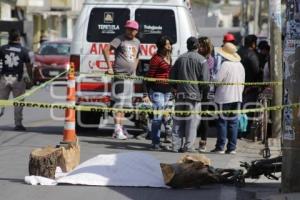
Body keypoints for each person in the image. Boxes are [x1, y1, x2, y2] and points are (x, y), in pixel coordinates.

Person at [170, 37, 210, 153]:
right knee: (192, 123)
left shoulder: (180, 59)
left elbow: (172, 78)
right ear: (197, 46)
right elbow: (205, 82)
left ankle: (175, 146)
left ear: (187, 46)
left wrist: (177, 88)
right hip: (194, 96)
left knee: (178, 121)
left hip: (180, 95)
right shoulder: (202, 60)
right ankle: (188, 146)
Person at [103, 20, 140, 140]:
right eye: (127, 28)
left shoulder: (137, 42)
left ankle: (121, 128)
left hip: (130, 77)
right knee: (118, 104)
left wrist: (134, 67)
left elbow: (138, 56)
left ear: (136, 31)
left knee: (124, 105)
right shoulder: (119, 39)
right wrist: (109, 67)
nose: (128, 31)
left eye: (131, 29)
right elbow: (106, 49)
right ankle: (117, 128)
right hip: (120, 76)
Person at [211, 43, 245, 154]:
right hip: (237, 97)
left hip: (224, 97)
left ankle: (220, 147)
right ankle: (231, 148)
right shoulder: (240, 65)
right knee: (233, 123)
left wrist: (213, 77)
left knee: (222, 122)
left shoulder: (225, 64)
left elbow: (217, 81)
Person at [0, 29, 32, 131]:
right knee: (18, 102)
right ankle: (18, 124)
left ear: (9, 38)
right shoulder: (24, 50)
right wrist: (30, 78)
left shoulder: (2, 48)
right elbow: (28, 65)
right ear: (19, 38)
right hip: (18, 79)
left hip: (4, 78)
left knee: (1, 101)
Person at [145, 35, 173, 150]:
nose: (169, 46)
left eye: (170, 44)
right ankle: (155, 142)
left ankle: (164, 138)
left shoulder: (169, 57)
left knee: (166, 116)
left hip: (168, 91)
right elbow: (149, 77)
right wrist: (146, 94)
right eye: (167, 44)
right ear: (161, 46)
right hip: (157, 91)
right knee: (157, 117)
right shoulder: (156, 59)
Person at [197, 36, 215, 152]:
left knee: (204, 116)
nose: (199, 47)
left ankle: (203, 142)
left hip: (205, 89)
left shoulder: (209, 59)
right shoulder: (197, 56)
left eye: (201, 45)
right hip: (196, 87)